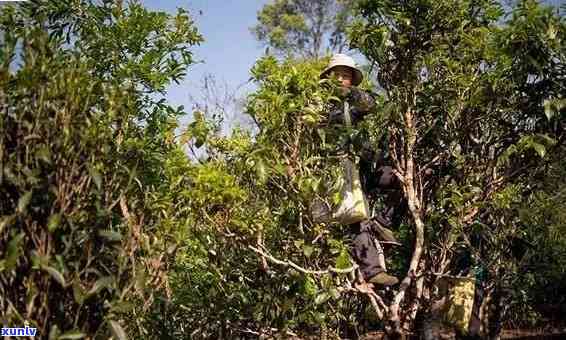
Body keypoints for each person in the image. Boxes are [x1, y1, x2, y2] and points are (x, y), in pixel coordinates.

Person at [320, 54, 403, 286]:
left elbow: (374, 105)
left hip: (365, 164)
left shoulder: (357, 100)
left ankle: (383, 222)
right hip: (342, 169)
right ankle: (373, 271)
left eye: (345, 76)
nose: (340, 80)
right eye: (336, 75)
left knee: (398, 180)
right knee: (356, 219)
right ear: (327, 78)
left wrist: (352, 95)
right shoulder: (320, 106)